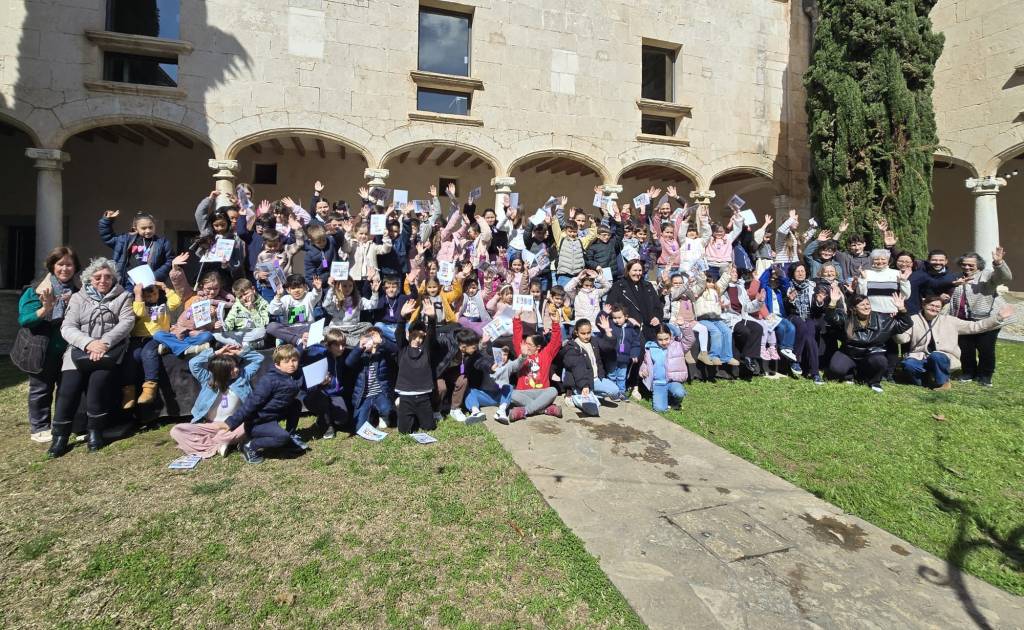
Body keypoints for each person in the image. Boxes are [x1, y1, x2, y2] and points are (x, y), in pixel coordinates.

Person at [48, 258, 135, 457]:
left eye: (108, 277)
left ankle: (95, 430)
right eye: (98, 277)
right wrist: (88, 343)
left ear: (114, 279)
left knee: (98, 384)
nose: (103, 280)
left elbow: (126, 322)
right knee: (68, 388)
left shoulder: (123, 297)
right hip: (80, 349)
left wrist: (103, 343)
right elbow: (68, 327)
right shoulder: (78, 298)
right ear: (89, 279)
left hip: (108, 350)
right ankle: (60, 435)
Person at [17, 246, 80, 443]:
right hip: (41, 348)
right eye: (60, 264)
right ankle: (40, 427)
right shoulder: (36, 290)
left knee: (65, 389)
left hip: (67, 350)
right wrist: (45, 308)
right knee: (41, 389)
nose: (65, 269)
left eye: (69, 265)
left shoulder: (78, 291)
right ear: (52, 266)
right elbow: (24, 319)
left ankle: (62, 423)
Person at [895, 294, 1015, 390]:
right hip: (920, 356)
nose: (934, 308)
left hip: (943, 357)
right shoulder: (913, 320)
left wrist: (998, 318)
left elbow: (975, 326)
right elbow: (902, 339)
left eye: (938, 307)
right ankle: (926, 381)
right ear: (924, 305)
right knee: (909, 365)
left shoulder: (950, 321)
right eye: (931, 305)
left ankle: (943, 382)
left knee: (936, 356)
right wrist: (897, 324)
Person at [168, 345, 264, 458]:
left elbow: (259, 359)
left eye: (236, 366)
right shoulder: (207, 379)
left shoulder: (243, 377)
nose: (236, 369)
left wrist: (240, 352)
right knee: (176, 430)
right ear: (221, 371)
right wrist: (216, 352)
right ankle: (222, 442)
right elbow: (193, 363)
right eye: (231, 368)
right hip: (211, 425)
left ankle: (212, 441)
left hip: (233, 425)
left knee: (251, 424)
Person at [217, 344, 306, 464]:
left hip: (273, 415)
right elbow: (252, 402)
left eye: (294, 360)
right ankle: (250, 445)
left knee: (295, 404)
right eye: (286, 361)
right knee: (281, 437)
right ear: (277, 364)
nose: (291, 364)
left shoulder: (293, 375)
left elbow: (306, 386)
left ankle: (291, 437)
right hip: (258, 422)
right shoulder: (269, 380)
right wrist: (231, 422)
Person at [824, 289, 912, 392]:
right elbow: (831, 319)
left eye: (867, 304)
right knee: (836, 370)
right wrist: (833, 302)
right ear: (854, 308)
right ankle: (850, 374)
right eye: (862, 305)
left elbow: (905, 324)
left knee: (880, 362)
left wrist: (902, 309)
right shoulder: (847, 318)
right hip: (849, 353)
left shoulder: (882, 320)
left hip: (872, 354)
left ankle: (874, 382)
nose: (866, 307)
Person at [949, 248, 1012, 387]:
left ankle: (985, 375)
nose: (967, 267)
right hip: (962, 320)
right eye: (964, 264)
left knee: (986, 349)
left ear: (978, 265)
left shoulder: (987, 275)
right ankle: (968, 372)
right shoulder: (956, 276)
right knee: (966, 349)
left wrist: (999, 263)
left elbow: (1005, 277)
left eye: (970, 265)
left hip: (987, 319)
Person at [126, 280, 181, 408]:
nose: (151, 298)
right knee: (132, 357)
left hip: (156, 337)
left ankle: (149, 388)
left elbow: (176, 302)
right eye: (147, 296)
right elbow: (139, 313)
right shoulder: (139, 304)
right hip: (138, 337)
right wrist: (138, 295)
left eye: (154, 294)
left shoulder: (163, 305)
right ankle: (128, 392)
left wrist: (165, 288)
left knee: (148, 353)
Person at [394, 299, 439, 433]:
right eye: (414, 336)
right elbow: (399, 333)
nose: (417, 339)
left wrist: (432, 318)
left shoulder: (426, 349)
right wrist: (402, 317)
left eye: (420, 337)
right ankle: (399, 404)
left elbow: (431, 334)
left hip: (423, 396)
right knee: (404, 431)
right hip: (406, 395)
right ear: (408, 335)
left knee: (429, 427)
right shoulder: (403, 348)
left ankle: (419, 415)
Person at [97, 210, 173, 288]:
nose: (148, 231)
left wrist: (154, 276)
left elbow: (169, 261)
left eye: (150, 227)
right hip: (127, 282)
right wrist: (107, 221)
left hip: (150, 283)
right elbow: (108, 237)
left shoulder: (162, 243)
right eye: (143, 228)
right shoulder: (125, 240)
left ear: (154, 226)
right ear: (136, 229)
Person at [508, 313, 562, 422]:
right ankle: (545, 409)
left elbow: (556, 342)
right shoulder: (522, 352)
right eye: (525, 343)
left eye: (529, 344)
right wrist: (517, 319)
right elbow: (517, 337)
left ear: (538, 347)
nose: (525, 346)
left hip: (541, 391)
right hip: (524, 392)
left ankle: (525, 411)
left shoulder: (546, 354)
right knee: (511, 394)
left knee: (553, 390)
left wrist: (555, 323)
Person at [302, 328, 352, 439]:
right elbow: (311, 349)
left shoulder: (341, 357)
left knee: (342, 420)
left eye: (343, 345)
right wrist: (320, 384)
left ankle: (325, 419)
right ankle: (326, 425)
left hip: (334, 394)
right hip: (317, 395)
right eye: (337, 345)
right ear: (329, 345)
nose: (341, 348)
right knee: (322, 400)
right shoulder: (320, 356)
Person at [346, 328, 398, 430]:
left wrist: (382, 341)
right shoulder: (361, 354)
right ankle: (371, 414)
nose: (372, 339)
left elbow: (396, 350)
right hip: (364, 396)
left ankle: (383, 415)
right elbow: (349, 362)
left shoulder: (383, 353)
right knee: (359, 428)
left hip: (380, 394)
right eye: (370, 336)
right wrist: (360, 347)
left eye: (375, 336)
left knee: (387, 409)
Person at [639, 324, 695, 412]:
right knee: (659, 409)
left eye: (666, 339)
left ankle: (674, 402)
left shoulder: (678, 345)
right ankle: (665, 396)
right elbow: (645, 363)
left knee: (679, 393)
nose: (664, 342)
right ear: (656, 338)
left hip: (673, 381)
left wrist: (684, 326)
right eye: (660, 340)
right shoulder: (651, 348)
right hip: (658, 382)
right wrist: (643, 371)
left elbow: (690, 339)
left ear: (670, 336)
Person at [561, 319, 619, 402]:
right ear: (576, 333)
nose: (586, 336)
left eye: (588, 332)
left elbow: (608, 347)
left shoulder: (594, 340)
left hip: (595, 379)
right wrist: (584, 385)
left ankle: (590, 394)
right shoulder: (572, 347)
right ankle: (575, 392)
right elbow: (577, 368)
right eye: (583, 333)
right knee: (590, 405)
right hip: (580, 381)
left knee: (615, 391)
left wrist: (607, 330)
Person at [606, 260, 663, 341]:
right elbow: (611, 307)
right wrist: (626, 319)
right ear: (628, 271)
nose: (638, 273)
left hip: (650, 330)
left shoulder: (648, 286)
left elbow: (658, 306)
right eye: (635, 270)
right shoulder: (618, 287)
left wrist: (657, 317)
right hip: (629, 331)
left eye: (640, 270)